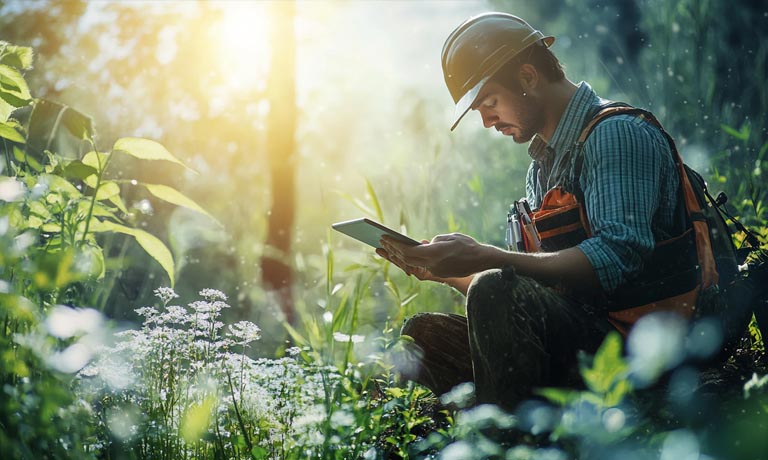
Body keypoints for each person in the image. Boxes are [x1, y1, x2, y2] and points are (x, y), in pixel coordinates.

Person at [376, 12, 707, 412]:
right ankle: (488, 425)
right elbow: (532, 292)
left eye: (490, 102)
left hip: (642, 349)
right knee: (421, 337)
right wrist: (452, 273)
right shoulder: (541, 167)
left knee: (492, 286)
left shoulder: (616, 135)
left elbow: (620, 256)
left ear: (529, 77)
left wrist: (490, 259)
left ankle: (508, 442)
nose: (486, 121)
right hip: (582, 338)